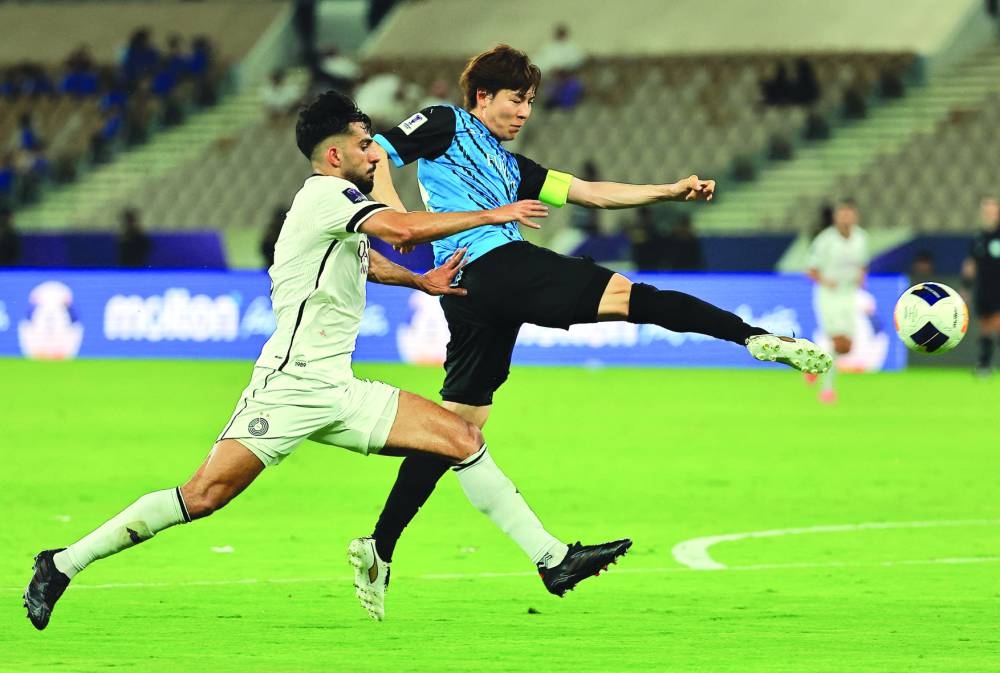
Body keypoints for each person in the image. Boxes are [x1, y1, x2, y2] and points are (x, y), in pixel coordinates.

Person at [23, 91, 630, 630]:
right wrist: (489, 214)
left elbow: (366, 258)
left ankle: (551, 560)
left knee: (462, 438)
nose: (375, 154)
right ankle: (62, 563)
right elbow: (401, 231)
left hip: (338, 388)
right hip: (289, 387)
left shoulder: (337, 205)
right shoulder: (326, 194)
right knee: (203, 496)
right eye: (365, 145)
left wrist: (419, 283)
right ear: (335, 154)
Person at [356, 44, 832, 615]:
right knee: (636, 298)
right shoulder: (445, 121)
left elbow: (590, 192)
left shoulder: (513, 167)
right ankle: (753, 337)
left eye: (530, 102)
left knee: (456, 431)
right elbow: (374, 153)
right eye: (515, 99)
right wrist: (401, 225)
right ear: (482, 95)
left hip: (469, 296)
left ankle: (381, 547)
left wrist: (666, 191)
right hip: (495, 265)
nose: (524, 112)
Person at [806, 199, 869, 403]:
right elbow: (811, 270)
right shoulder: (825, 240)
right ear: (836, 217)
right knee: (838, 340)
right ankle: (827, 390)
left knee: (846, 347)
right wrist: (826, 281)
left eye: (849, 214)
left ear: (855, 217)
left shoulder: (861, 238)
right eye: (842, 214)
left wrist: (862, 276)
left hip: (849, 294)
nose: (846, 218)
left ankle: (813, 365)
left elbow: (862, 264)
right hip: (828, 295)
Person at [962, 196, 1000, 376]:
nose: (989, 213)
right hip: (983, 287)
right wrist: (966, 287)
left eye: (992, 210)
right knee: (984, 326)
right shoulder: (979, 237)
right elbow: (971, 264)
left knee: (998, 323)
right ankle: (984, 364)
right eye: (986, 210)